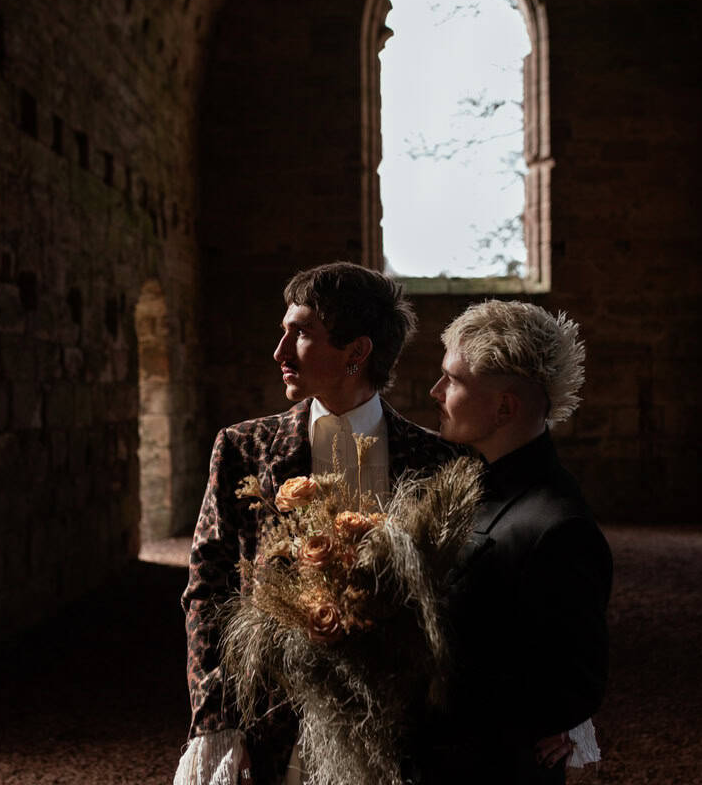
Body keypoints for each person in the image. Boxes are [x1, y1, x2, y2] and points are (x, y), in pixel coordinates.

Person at [173, 262, 460, 785]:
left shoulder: (438, 463)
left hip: (397, 730)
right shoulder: (242, 449)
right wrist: (215, 721)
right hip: (274, 722)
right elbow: (207, 590)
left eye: (301, 333)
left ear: (357, 353)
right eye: (283, 331)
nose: (279, 352)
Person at [420, 299, 613, 784]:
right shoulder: (462, 481)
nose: (435, 391)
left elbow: (574, 685)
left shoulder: (558, 526)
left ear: (505, 406)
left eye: (453, 380)